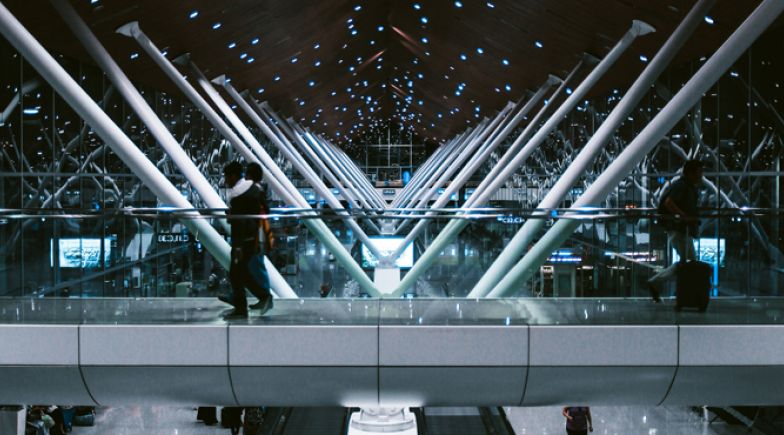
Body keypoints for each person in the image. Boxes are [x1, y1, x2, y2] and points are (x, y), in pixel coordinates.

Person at [219, 161, 273, 318]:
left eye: (227, 177)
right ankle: (263, 297)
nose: (226, 180)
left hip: (243, 241)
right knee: (241, 272)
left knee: (236, 274)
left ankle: (242, 309)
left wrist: (237, 246)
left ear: (234, 176)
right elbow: (264, 210)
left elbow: (238, 224)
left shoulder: (236, 195)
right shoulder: (255, 187)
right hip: (256, 236)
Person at [647, 160, 703, 302]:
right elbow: (669, 202)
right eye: (699, 171)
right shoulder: (682, 185)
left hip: (680, 230)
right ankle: (660, 284)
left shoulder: (686, 186)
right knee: (690, 263)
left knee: (688, 263)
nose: (701, 175)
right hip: (679, 230)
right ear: (691, 173)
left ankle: (659, 283)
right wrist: (684, 217)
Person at [244, 162, 273, 310]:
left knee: (255, 265)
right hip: (258, 233)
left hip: (256, 234)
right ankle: (264, 297)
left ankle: (266, 297)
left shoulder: (255, 190)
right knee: (254, 264)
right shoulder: (260, 190)